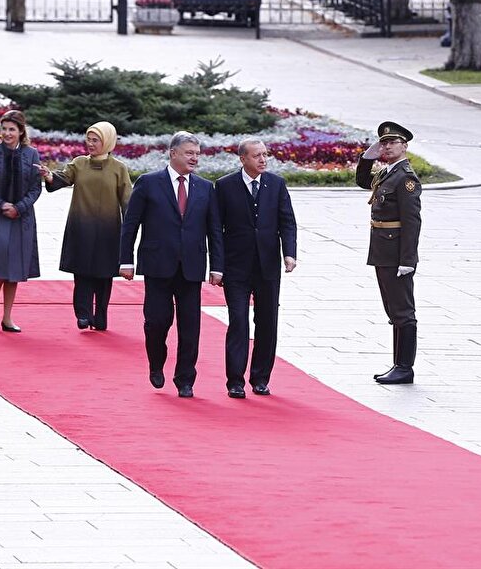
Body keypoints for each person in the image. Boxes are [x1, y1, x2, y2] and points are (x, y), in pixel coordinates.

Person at [119, 131, 224, 398]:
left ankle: (185, 379)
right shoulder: (148, 183)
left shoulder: (204, 187)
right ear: (173, 153)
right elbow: (130, 225)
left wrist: (217, 266)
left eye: (197, 154)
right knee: (156, 322)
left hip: (191, 266)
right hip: (157, 265)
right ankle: (156, 362)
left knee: (190, 326)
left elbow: (214, 231)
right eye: (189, 153)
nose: (194, 158)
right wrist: (125, 260)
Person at [215, 139, 297, 398]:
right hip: (236, 266)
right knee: (238, 321)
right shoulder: (225, 186)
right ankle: (235, 381)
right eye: (257, 156)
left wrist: (290, 253)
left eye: (265, 155)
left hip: (267, 266)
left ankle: (260, 378)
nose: (263, 160)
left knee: (267, 322)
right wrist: (216, 266)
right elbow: (216, 229)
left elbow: (288, 222)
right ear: (243, 159)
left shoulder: (276, 184)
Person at [39, 121, 132, 331]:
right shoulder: (79, 163)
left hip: (108, 230)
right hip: (81, 227)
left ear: (107, 141)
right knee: (82, 275)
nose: (90, 143)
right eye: (88, 139)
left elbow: (128, 201)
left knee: (103, 276)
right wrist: (49, 176)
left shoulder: (119, 168)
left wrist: (131, 228)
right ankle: (83, 314)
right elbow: (62, 178)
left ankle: (100, 317)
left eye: (95, 140)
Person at [356, 122, 422, 385]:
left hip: (396, 253)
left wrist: (408, 260)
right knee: (393, 309)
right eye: (384, 143)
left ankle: (405, 367)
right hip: (383, 249)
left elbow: (412, 221)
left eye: (392, 142)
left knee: (402, 310)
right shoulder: (388, 173)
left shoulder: (405, 178)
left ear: (404, 146)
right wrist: (366, 157)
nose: (387, 146)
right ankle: (398, 364)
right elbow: (362, 181)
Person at [0, 110, 41, 333]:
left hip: (21, 218)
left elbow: (35, 189)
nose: (7, 133)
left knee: (15, 268)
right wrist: (1, 205)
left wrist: (19, 207)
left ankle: (8, 317)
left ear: (21, 132)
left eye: (12, 129)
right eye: (4, 129)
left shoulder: (32, 155)